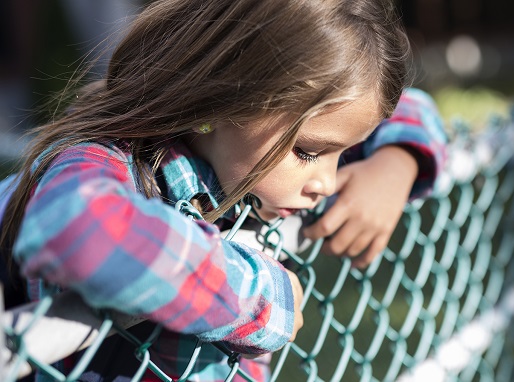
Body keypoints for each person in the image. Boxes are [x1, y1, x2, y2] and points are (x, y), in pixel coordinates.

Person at [0, 0, 446, 380]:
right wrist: (255, 296)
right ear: (217, 102)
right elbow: (82, 230)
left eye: (344, 153)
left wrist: (395, 164)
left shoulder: (248, 148)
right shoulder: (105, 160)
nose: (327, 184)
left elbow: (405, 104)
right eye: (309, 152)